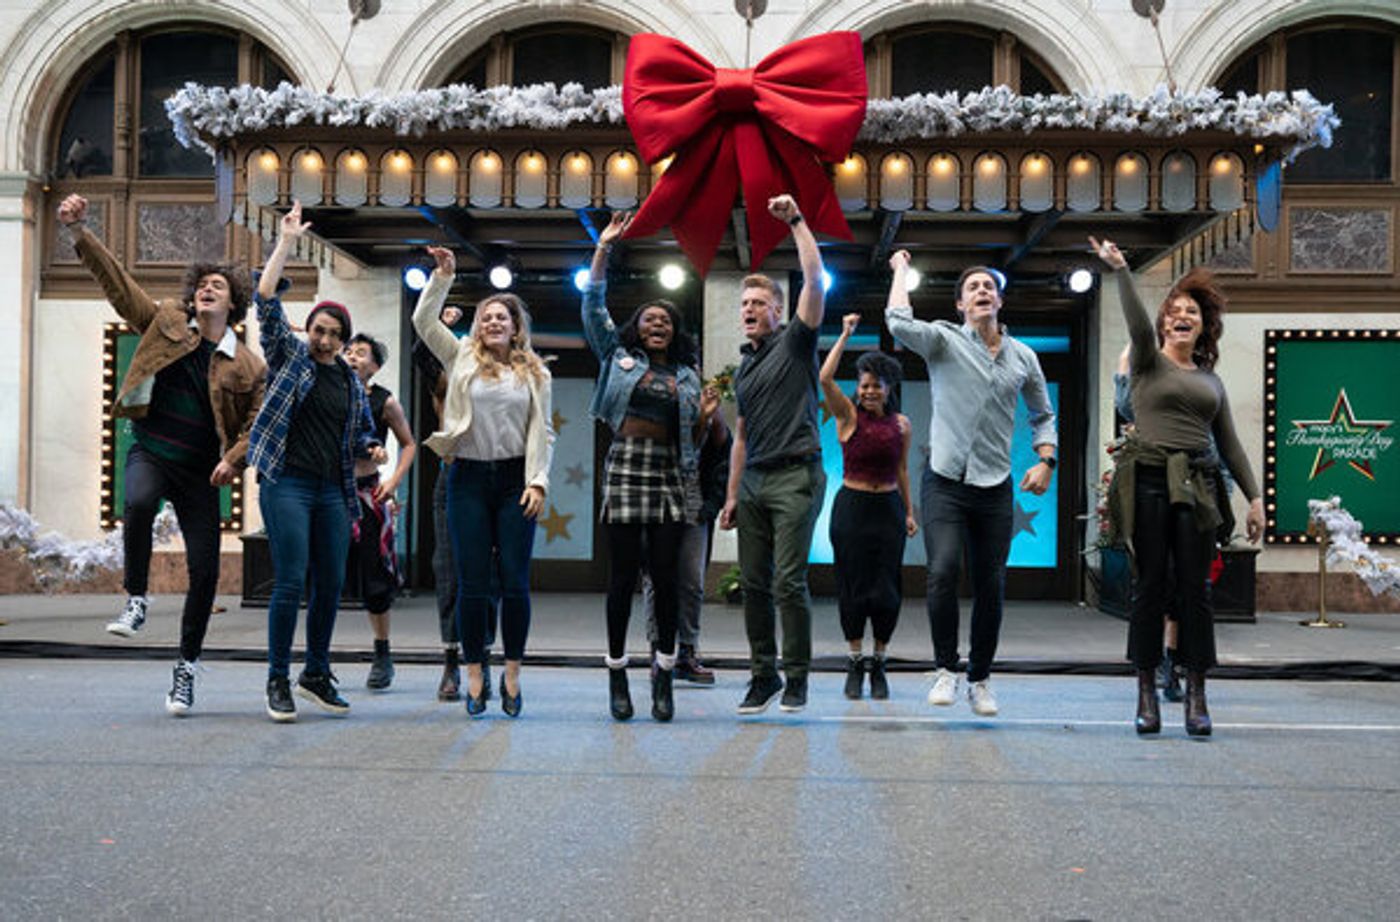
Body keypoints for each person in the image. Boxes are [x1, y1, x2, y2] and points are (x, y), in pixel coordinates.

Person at [58, 193, 266, 716]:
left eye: (216, 286)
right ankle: (136, 598)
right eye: (200, 285)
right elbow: (122, 290)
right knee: (140, 502)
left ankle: (186, 669)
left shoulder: (247, 366)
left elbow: (257, 425)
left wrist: (234, 459)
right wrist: (82, 233)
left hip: (202, 474)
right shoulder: (168, 323)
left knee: (206, 573)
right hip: (152, 451)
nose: (205, 290)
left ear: (233, 304)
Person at [1091, 236, 1264, 736]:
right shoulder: (1147, 360)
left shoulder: (1211, 381)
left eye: (1192, 312)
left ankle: (1196, 691)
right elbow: (1134, 321)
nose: (1182, 317)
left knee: (1196, 590)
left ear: (1204, 325)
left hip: (1199, 483)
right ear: (1164, 323)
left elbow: (1230, 444)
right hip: (1147, 477)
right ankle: (1146, 691)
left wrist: (1254, 500)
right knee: (1148, 587)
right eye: (1174, 311)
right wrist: (1122, 268)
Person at [885, 250, 1057, 718]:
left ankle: (979, 677)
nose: (983, 292)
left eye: (989, 287)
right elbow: (898, 321)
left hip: (994, 486)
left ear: (999, 301)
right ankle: (945, 669)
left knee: (990, 584)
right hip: (944, 481)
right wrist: (902, 270)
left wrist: (1047, 460)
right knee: (941, 571)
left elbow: (1044, 415)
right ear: (961, 305)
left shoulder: (1023, 357)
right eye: (973, 288)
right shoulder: (943, 341)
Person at [251, 201, 386, 723]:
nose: (326, 339)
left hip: (333, 490)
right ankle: (277, 679)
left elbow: (359, 433)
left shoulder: (350, 381)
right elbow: (265, 301)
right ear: (309, 331)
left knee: (331, 584)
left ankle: (316, 673)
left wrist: (371, 447)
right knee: (291, 580)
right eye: (320, 330)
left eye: (335, 333)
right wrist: (286, 242)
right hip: (287, 483)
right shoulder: (291, 358)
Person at [581, 212, 719, 721]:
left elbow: (697, 442)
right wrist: (605, 249)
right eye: (649, 320)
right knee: (620, 578)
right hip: (626, 467)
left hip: (670, 472)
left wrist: (705, 419)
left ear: (675, 332)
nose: (657, 324)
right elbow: (592, 307)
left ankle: (663, 674)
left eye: (666, 321)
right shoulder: (617, 358)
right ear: (637, 329)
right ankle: (617, 673)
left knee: (663, 577)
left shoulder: (687, 374)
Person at [413, 245, 553, 719]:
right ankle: (475, 673)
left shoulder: (535, 371)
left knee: (514, 582)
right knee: (471, 584)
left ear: (516, 327)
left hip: (515, 480)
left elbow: (543, 430)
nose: (494, 322)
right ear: (478, 325)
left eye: (502, 317)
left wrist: (538, 481)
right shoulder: (460, 359)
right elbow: (423, 323)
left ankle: (512, 672)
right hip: (467, 477)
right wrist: (443, 276)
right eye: (487, 316)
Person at [718, 194, 828, 715]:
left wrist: (797, 222)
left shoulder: (796, 344)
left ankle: (797, 677)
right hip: (756, 480)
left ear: (778, 310)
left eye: (758, 304)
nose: (748, 310)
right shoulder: (744, 368)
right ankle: (763, 677)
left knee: (788, 580)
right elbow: (739, 434)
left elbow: (816, 280)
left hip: (797, 475)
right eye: (743, 305)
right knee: (755, 584)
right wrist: (732, 494)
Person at [818, 313, 917, 700]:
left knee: (887, 589)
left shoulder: (903, 425)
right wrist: (844, 334)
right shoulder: (847, 416)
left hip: (888, 508)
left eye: (876, 386)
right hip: (852, 508)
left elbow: (904, 469)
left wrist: (909, 511)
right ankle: (855, 661)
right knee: (854, 587)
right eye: (864, 385)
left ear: (888, 388)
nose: (869, 392)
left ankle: (880, 662)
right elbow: (825, 378)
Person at [412, 303, 501, 701]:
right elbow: (422, 356)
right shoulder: (446, 375)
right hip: (455, 475)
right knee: (450, 571)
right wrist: (440, 323)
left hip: (495, 474)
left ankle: (482, 656)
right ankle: (451, 661)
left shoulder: (495, 373)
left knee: (491, 576)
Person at [343, 333, 416, 691]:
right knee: (326, 575)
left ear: (374, 366)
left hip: (369, 492)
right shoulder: (328, 391)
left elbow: (408, 444)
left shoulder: (385, 401)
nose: (352, 357)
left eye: (361, 354)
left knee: (375, 579)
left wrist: (394, 481)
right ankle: (317, 658)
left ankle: (382, 653)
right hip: (330, 492)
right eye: (349, 352)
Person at [642, 407, 730, 687]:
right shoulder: (655, 405)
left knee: (693, 581)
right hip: (655, 504)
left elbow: (723, 460)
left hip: (695, 506)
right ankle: (657, 652)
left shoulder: (712, 416)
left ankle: (687, 652)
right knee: (654, 580)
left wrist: (713, 504)